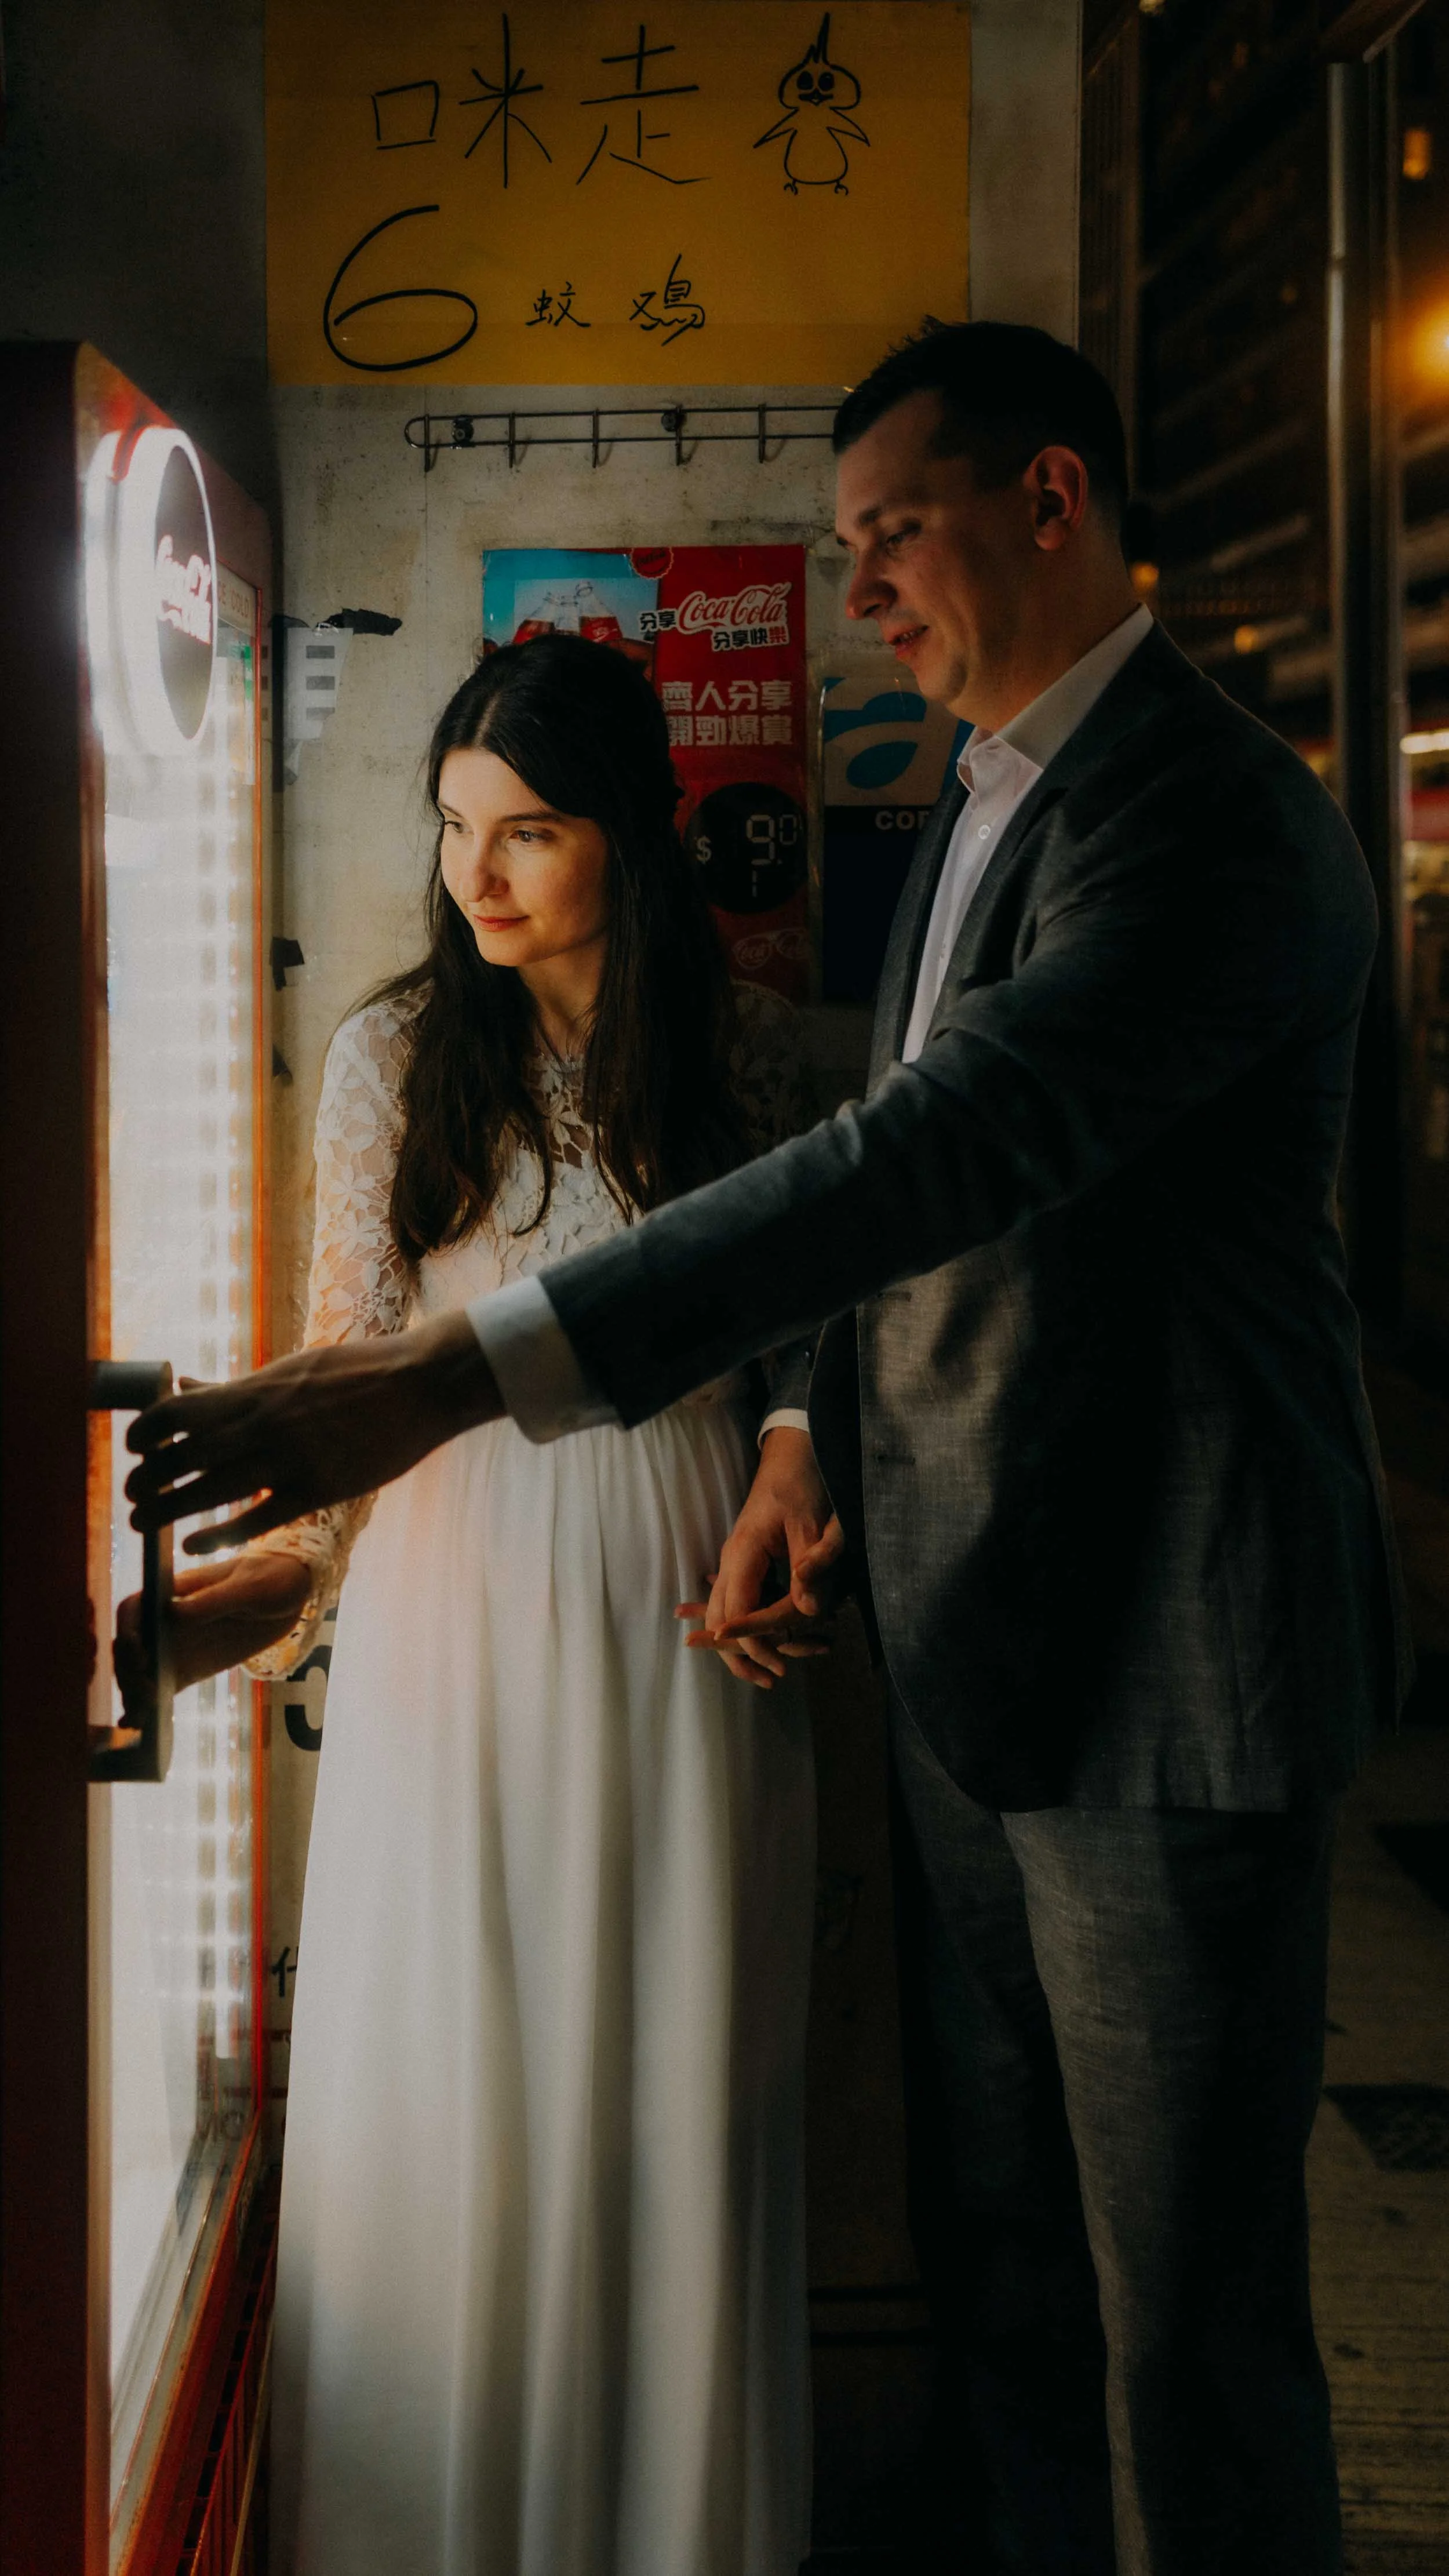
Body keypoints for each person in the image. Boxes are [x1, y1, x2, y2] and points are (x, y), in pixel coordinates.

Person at [128, 324, 1410, 2576]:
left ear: (1054, 496)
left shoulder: (1211, 814)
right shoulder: (974, 792)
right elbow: (917, 1260)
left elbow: (950, 1147)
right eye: (838, 552)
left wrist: (447, 1372)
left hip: (1173, 1660)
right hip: (971, 1645)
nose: (862, 595)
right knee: (1012, 2279)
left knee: (1188, 2335)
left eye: (893, 535)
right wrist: (811, 1437)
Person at [125, 635, 822, 2576]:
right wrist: (227, 1609)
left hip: (679, 1609)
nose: (476, 876)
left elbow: (810, 1341)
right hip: (444, 1623)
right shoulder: (386, 1057)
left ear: (637, 838)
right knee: (445, 2094)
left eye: (528, 832)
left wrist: (793, 1472)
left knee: (670, 2092)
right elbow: (349, 1383)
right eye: (452, 827)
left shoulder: (749, 1050)